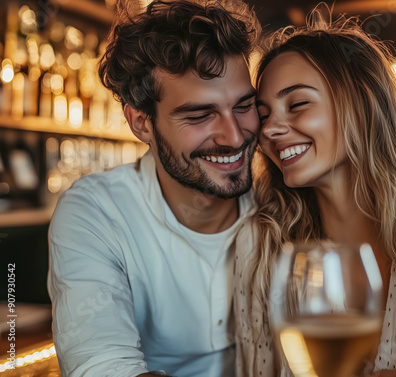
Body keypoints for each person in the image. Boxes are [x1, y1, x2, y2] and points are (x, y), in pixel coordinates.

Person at [233, 14, 396, 377]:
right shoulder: (262, 243)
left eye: (297, 105)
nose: (272, 130)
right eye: (263, 116)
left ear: (361, 103)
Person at [47, 1, 260, 376]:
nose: (235, 135)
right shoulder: (95, 212)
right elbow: (102, 366)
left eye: (244, 105)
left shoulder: (283, 201)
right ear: (141, 123)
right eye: (200, 115)